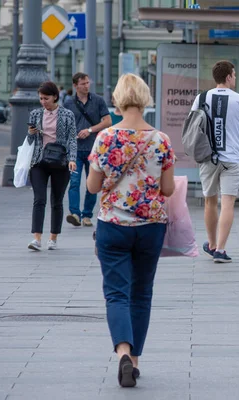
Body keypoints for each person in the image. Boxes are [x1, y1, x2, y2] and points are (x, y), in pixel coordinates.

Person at [87, 73, 175, 388]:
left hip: (113, 225)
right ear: (145, 97)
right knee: (142, 293)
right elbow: (167, 189)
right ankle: (135, 361)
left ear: (118, 98)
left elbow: (93, 185)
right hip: (151, 226)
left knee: (116, 293)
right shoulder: (161, 139)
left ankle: (123, 351)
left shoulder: (105, 138)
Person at [191, 60, 239, 263]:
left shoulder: (201, 97)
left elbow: (193, 126)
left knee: (209, 201)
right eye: (234, 75)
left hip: (208, 158)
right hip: (232, 158)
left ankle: (211, 244)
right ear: (228, 77)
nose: (235, 78)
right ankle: (221, 249)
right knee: (227, 203)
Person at [26, 81, 77, 251]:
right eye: (40, 98)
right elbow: (30, 141)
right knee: (39, 199)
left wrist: (72, 158)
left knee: (56, 200)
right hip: (39, 161)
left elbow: (72, 138)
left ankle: (53, 238)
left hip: (60, 161)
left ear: (55, 96)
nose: (43, 102)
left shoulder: (67, 114)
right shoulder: (35, 114)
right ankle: (36, 238)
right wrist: (31, 133)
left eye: (46, 98)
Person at [63, 72, 111, 228]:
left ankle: (87, 215)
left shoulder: (97, 101)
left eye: (87, 83)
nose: (86, 86)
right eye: (83, 84)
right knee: (74, 182)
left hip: (93, 149)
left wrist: (90, 130)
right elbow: (64, 124)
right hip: (75, 149)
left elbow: (108, 121)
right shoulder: (69, 103)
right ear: (75, 86)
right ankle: (75, 214)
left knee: (93, 184)